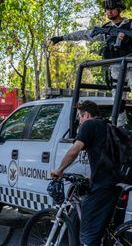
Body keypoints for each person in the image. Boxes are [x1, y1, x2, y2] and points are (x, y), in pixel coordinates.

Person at [50, 0, 132, 129]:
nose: (108, 11)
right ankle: (119, 131)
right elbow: (84, 34)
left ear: (119, 9)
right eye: (106, 9)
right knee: (118, 103)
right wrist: (62, 38)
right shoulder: (106, 30)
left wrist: (130, 40)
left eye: (112, 8)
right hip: (116, 68)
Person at [50, 100, 118, 246]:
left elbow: (74, 151)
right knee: (100, 227)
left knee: (87, 230)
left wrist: (59, 170)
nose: (79, 122)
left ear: (86, 114)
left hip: (103, 184)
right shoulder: (107, 125)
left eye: (80, 117)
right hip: (114, 181)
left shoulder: (89, 125)